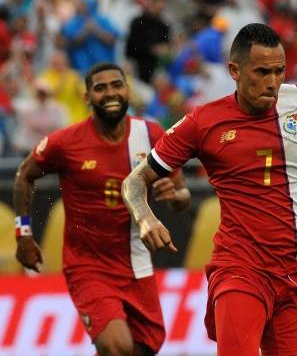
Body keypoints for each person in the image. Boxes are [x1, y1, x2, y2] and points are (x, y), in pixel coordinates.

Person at [121, 23, 297, 356]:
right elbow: (135, 180)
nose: (273, 82)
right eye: (262, 72)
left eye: (279, 71)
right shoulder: (204, 122)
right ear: (234, 70)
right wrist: (145, 216)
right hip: (240, 269)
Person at [13, 62, 191, 356]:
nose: (110, 93)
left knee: (145, 348)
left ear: (127, 90)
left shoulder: (150, 135)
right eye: (100, 88)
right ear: (87, 97)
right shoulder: (66, 142)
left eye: (116, 85)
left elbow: (183, 195)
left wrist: (174, 195)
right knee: (116, 345)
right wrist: (23, 235)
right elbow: (23, 176)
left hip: (137, 261)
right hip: (88, 265)